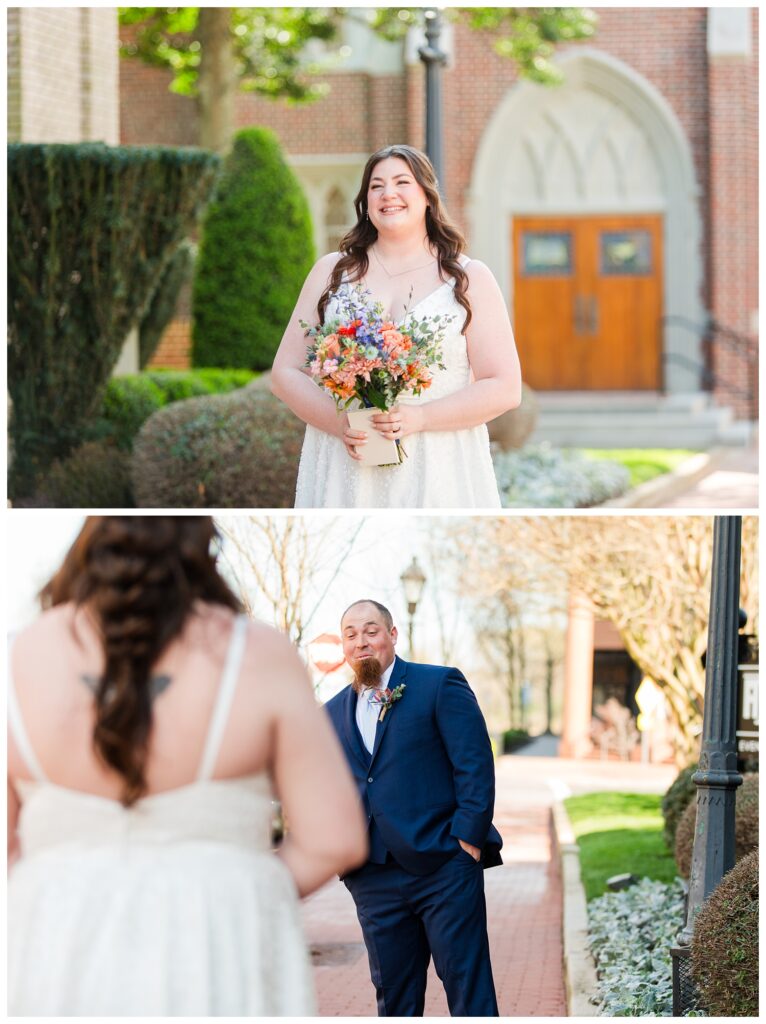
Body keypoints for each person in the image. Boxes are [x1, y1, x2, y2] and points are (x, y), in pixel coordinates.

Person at [7, 516, 367, 1016]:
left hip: (53, 954)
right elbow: (336, 840)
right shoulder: (256, 653)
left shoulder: (17, 656)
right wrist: (234, 889)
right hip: (216, 950)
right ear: (201, 543)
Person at [271, 143, 522, 508]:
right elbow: (285, 373)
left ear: (427, 196)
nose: (388, 194)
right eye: (376, 186)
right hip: (345, 460)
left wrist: (419, 417)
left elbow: (504, 387)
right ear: (366, 201)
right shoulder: (331, 272)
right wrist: (339, 422)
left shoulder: (468, 278)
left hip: (437, 461)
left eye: (402, 182)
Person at [323, 599, 503, 1016]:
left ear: (392, 635)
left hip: (444, 867)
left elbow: (474, 764)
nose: (360, 641)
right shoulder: (330, 714)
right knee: (395, 1002)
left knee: (468, 991)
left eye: (370, 630)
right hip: (373, 879)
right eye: (350, 634)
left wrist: (468, 842)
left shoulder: (438, 685)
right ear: (344, 646)